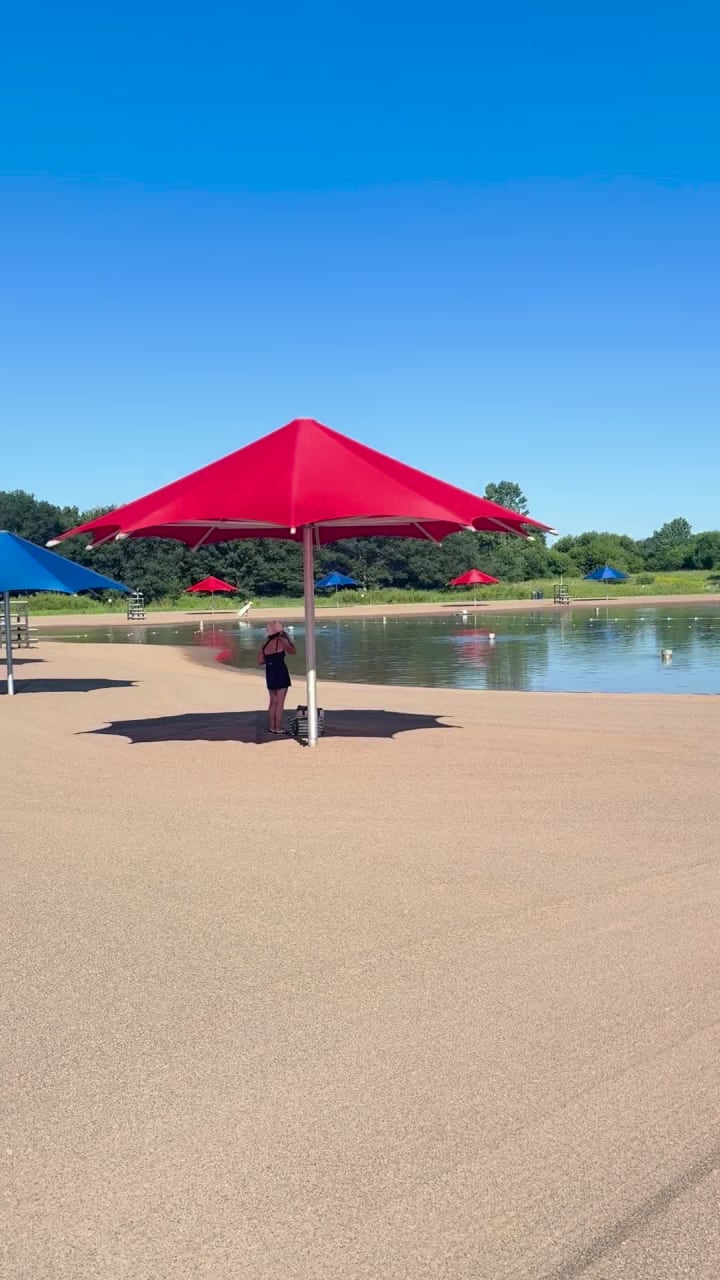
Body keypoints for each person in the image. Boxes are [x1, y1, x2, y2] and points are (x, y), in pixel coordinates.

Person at [258, 621, 296, 734]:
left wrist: (270, 660)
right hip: (280, 671)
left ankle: (272, 727)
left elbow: (260, 661)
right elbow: (293, 651)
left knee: (272, 701)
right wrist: (285, 636)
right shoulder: (281, 641)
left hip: (270, 672)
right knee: (280, 702)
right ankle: (278, 727)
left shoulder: (264, 644)